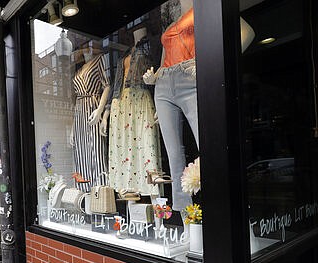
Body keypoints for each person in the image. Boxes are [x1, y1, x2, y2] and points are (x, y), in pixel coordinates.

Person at [143, 0, 254, 211]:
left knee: (211, 149)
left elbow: (247, 33)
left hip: (191, 78)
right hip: (164, 85)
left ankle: (227, 214)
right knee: (174, 157)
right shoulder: (170, 26)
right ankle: (187, 223)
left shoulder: (206, 7)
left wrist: (218, 64)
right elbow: (163, 65)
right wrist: (153, 79)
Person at [104, 27, 162, 194]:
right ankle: (130, 206)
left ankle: (156, 206)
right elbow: (117, 82)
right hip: (121, 102)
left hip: (141, 98)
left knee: (146, 145)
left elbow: (159, 71)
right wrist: (107, 111)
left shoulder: (152, 44)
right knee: (124, 149)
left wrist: (160, 103)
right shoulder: (127, 52)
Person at [71, 43, 110, 192]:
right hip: (79, 109)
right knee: (80, 150)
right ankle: (84, 190)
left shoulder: (100, 59)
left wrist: (100, 110)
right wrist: (73, 128)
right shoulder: (79, 69)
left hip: (93, 105)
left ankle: (100, 190)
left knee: (96, 148)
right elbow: (76, 99)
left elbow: (107, 85)